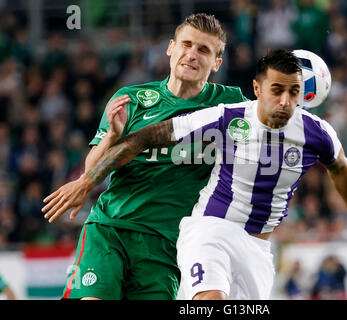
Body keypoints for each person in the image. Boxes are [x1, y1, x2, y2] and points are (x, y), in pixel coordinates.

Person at [43, 49, 347, 300]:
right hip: (210, 229)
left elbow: (341, 167)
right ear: (258, 89)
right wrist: (89, 179)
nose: (285, 101)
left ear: (304, 95)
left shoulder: (317, 133)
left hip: (257, 247)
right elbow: (145, 137)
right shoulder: (226, 118)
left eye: (293, 91)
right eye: (277, 90)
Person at [42, 13, 247, 300]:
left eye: (203, 49)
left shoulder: (231, 104)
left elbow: (272, 125)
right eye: (186, 45)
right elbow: (92, 166)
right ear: (170, 48)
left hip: (166, 243)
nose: (191, 55)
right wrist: (113, 136)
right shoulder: (133, 98)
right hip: (111, 226)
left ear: (217, 62)